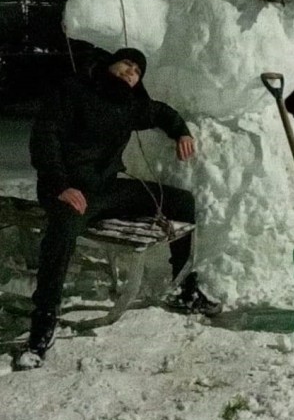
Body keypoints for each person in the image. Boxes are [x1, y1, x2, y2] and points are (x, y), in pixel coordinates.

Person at [19, 46, 221, 367]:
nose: (131, 72)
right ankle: (44, 318)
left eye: (138, 71)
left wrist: (181, 132)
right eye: (127, 64)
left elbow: (160, 112)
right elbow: (45, 137)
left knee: (181, 202)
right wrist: (60, 185)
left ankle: (184, 288)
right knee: (63, 230)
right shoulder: (73, 90)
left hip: (107, 189)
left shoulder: (128, 104)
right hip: (68, 190)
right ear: (110, 64)